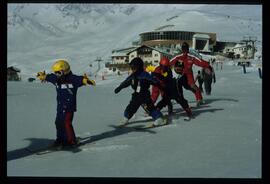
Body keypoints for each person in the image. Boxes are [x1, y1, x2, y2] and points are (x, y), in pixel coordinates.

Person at [36, 59, 96, 148]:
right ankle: (60, 139)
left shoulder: (73, 79)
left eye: (59, 73)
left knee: (66, 123)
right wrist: (43, 76)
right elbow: (49, 77)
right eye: (55, 73)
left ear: (65, 71)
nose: (57, 75)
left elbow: (80, 79)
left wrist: (86, 81)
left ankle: (71, 141)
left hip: (69, 107)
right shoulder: (56, 79)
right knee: (58, 122)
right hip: (60, 106)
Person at [114, 57, 166, 127]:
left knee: (149, 107)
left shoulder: (144, 75)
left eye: (133, 67)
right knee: (131, 107)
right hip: (136, 95)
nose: (132, 69)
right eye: (131, 68)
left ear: (138, 67)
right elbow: (126, 82)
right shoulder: (133, 76)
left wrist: (160, 85)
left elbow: (153, 80)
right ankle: (125, 118)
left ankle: (159, 119)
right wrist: (119, 87)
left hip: (144, 95)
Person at [170, 42, 210, 106]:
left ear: (188, 49)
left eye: (186, 49)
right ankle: (180, 99)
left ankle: (199, 99)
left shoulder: (191, 57)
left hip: (189, 74)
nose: (185, 51)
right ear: (182, 49)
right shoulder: (178, 56)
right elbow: (169, 62)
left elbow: (199, 62)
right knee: (177, 85)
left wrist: (207, 65)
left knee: (192, 86)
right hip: (181, 74)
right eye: (183, 49)